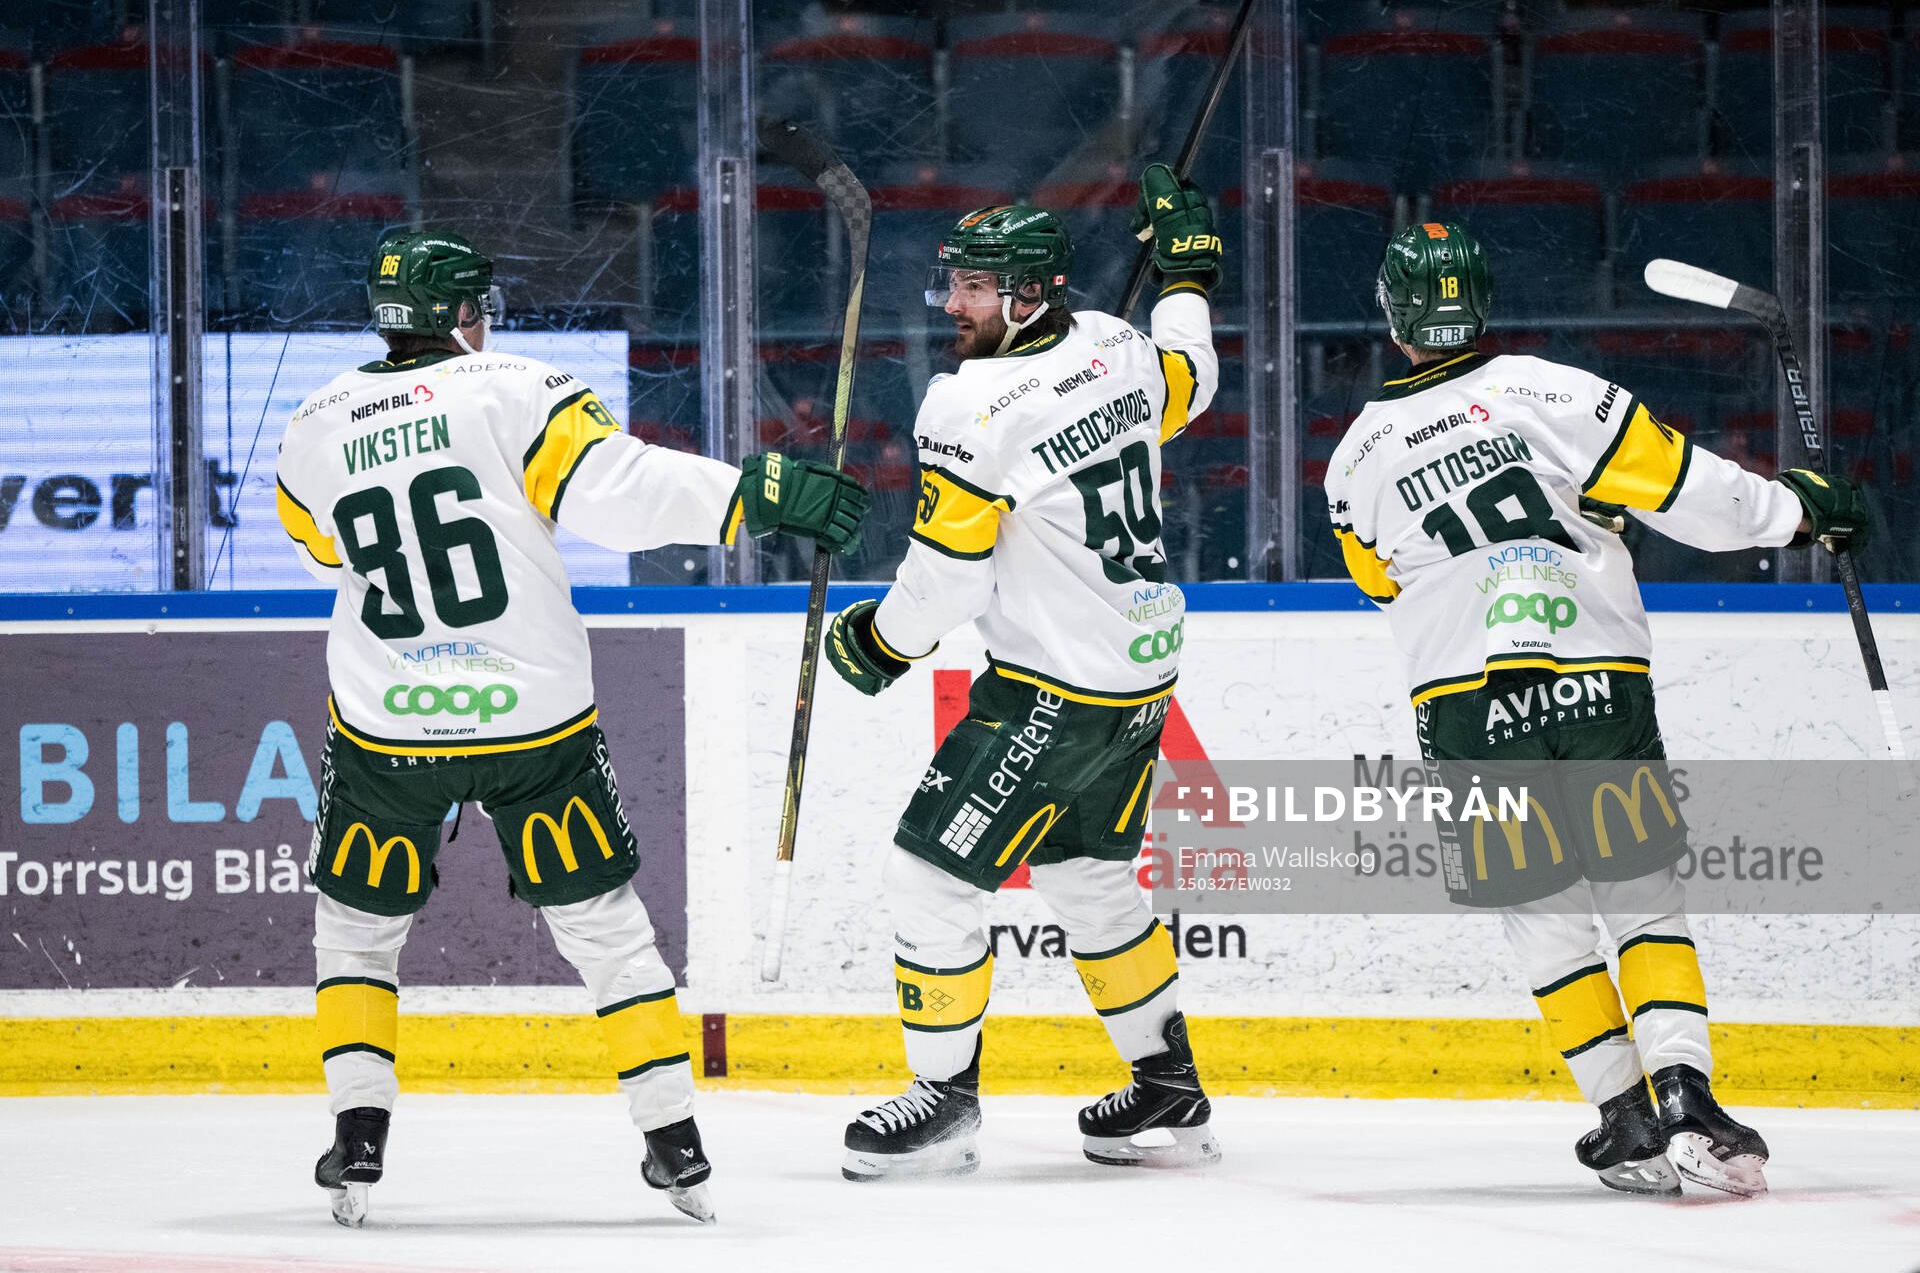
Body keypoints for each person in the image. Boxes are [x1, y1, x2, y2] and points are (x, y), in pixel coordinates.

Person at [275, 230, 870, 1226]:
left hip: (389, 725)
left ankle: (359, 1138)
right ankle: (675, 1143)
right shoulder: (516, 386)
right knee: (605, 931)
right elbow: (623, 494)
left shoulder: (316, 418)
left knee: (358, 932)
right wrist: (757, 494)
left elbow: (316, 546)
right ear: (466, 314)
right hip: (531, 718)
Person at [1322, 220, 1872, 1197]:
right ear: (1481, 300)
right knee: (1640, 897)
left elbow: (1383, 585)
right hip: (1593, 678)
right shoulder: (1551, 392)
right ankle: (1687, 1095)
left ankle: (1623, 1116)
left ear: (1392, 315)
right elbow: (1689, 493)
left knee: (1544, 920)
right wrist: (1799, 509)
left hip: (1464, 705)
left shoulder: (1354, 459)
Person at [822, 167, 1224, 1180]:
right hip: (1136, 682)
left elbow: (951, 573)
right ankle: (1166, 1086)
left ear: (1031, 295)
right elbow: (1191, 372)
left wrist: (880, 641)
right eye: (952, 284)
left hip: (1052, 689)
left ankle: (944, 1100)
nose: (952, 305)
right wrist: (1187, 272)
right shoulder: (1119, 348)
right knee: (1090, 878)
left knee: (926, 874)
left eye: (973, 289)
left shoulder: (975, 402)